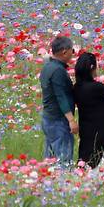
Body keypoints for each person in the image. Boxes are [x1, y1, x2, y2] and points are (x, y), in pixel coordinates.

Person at [39, 35, 77, 167]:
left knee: (50, 158)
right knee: (63, 159)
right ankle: (63, 178)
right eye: (72, 51)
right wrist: (71, 120)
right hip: (59, 120)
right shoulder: (58, 71)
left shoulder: (48, 67)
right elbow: (61, 97)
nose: (73, 54)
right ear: (65, 51)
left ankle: (48, 178)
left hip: (48, 117)